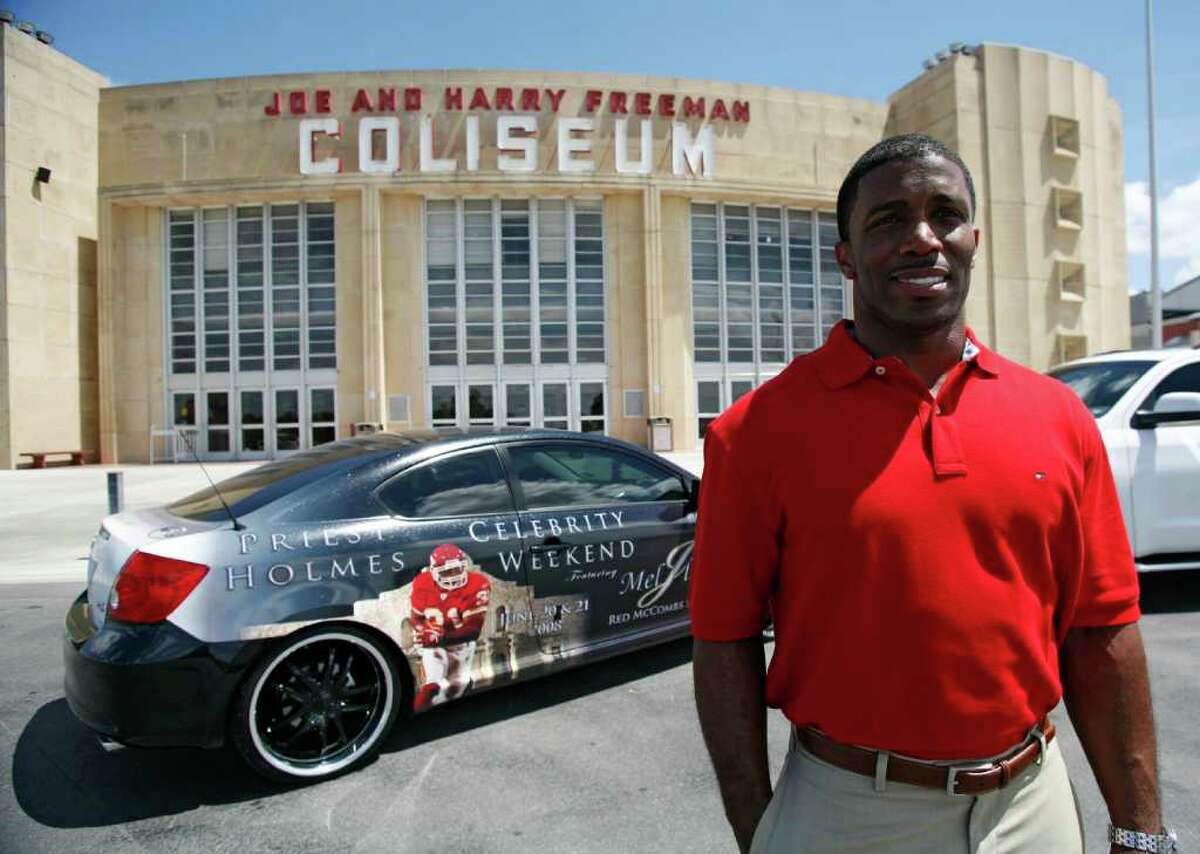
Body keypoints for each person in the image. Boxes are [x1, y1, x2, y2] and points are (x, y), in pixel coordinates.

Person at [689, 134, 1171, 853]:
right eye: (887, 221)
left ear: (974, 238)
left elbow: (1101, 631)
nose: (922, 238)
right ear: (846, 255)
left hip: (1033, 807)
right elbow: (724, 641)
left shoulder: (1058, 417)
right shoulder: (755, 432)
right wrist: (757, 828)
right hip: (848, 814)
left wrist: (1142, 831)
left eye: (944, 214)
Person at [410, 542, 492, 710]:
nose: (453, 575)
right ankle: (417, 712)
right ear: (433, 572)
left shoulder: (477, 584)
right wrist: (422, 631)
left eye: (457, 569)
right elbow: (416, 617)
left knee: (454, 690)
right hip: (434, 646)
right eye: (446, 571)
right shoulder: (422, 583)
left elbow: (473, 629)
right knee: (432, 685)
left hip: (461, 646)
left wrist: (439, 637)